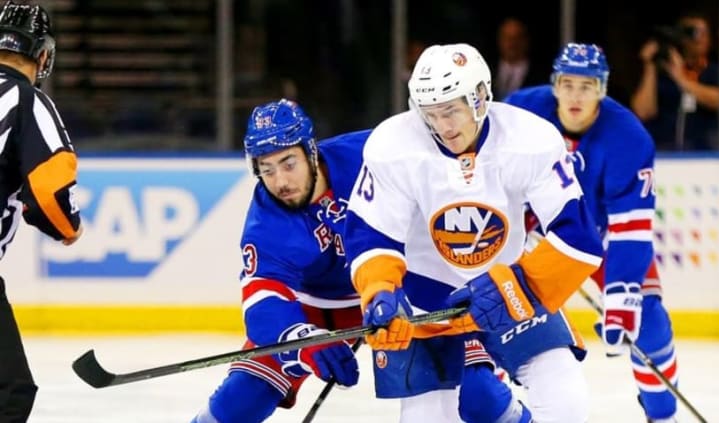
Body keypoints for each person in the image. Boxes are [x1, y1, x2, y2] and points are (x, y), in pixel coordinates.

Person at [191, 99, 528, 423]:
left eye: (288, 163)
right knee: (242, 398)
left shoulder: (372, 153)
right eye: (267, 169)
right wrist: (303, 340)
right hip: (319, 309)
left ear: (311, 151)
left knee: (479, 397)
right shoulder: (267, 221)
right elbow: (262, 302)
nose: (280, 181)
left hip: (404, 291)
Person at [344, 43, 604, 423]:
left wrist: (516, 285)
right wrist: (379, 291)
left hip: (511, 290)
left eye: (451, 110)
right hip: (425, 297)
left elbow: (578, 237)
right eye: (431, 114)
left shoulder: (529, 139)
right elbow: (372, 235)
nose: (444, 126)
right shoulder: (392, 146)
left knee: (564, 394)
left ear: (481, 97)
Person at [505, 43, 681, 423]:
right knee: (499, 314)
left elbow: (630, 227)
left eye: (586, 86)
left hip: (596, 237)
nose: (575, 96)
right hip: (530, 236)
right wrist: (516, 230)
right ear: (554, 85)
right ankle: (495, 407)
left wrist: (622, 292)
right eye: (567, 84)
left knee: (648, 320)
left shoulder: (628, 138)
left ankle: (663, 416)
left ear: (602, 88)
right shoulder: (518, 113)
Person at [0, 1, 84, 421]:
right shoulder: (27, 100)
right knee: (9, 393)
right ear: (44, 55)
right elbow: (50, 188)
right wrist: (69, 227)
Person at [630, 11, 719, 151]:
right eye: (694, 32)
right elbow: (643, 112)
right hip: (666, 153)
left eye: (706, 33)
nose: (701, 38)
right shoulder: (662, 72)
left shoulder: (713, 72)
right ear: (682, 37)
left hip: (704, 154)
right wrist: (649, 66)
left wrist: (681, 79)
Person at [492, 18, 547, 100]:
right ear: (499, 40)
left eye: (517, 38)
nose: (512, 43)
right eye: (507, 38)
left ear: (526, 40)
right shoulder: (486, 70)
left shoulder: (541, 77)